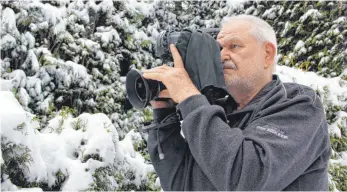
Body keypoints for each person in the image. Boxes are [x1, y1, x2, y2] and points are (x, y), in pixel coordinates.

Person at [142, 14, 331, 191]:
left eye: (234, 46)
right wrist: (164, 112)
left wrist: (187, 95)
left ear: (267, 53)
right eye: (219, 48)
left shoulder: (299, 105)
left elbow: (247, 179)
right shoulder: (219, 113)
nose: (222, 56)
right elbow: (180, 184)